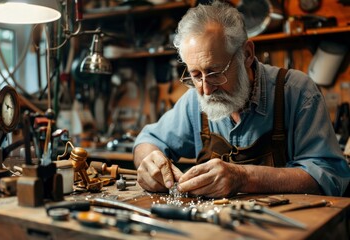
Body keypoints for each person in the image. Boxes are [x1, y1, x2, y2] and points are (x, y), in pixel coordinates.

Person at [132, 0, 350, 198]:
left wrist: (244, 177)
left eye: (216, 72)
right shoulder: (194, 101)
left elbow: (330, 176)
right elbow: (147, 140)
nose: (206, 90)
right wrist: (151, 163)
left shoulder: (297, 92)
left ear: (246, 54)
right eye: (196, 75)